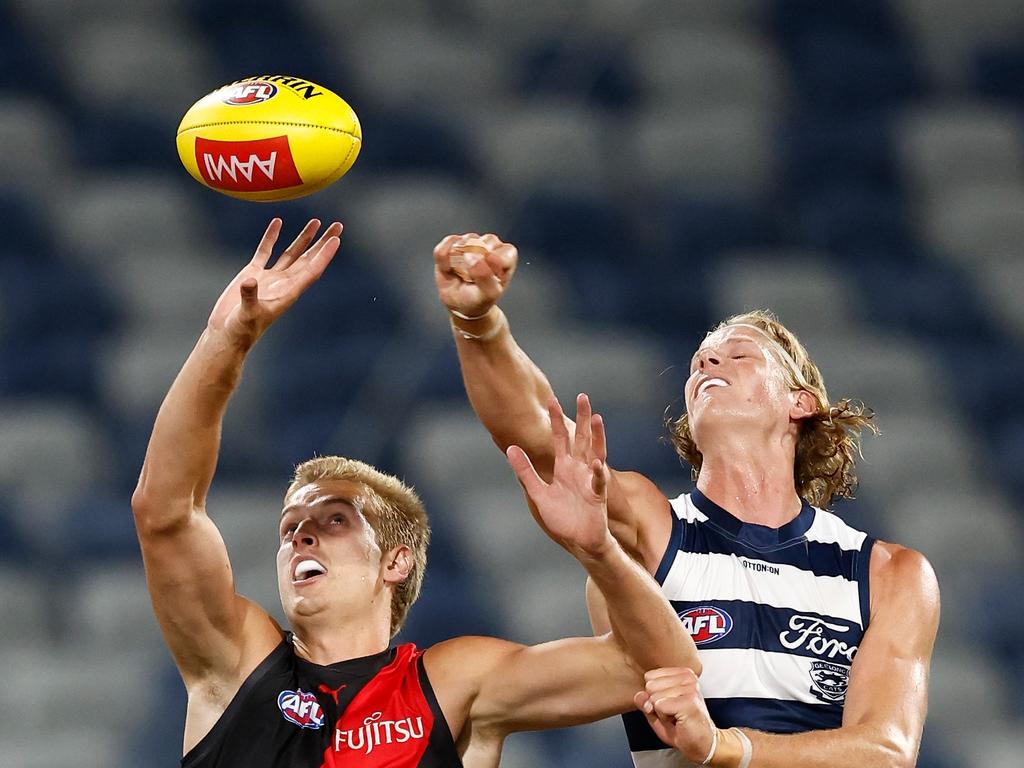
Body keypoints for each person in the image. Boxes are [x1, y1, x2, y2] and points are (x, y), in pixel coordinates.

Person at [130, 218, 702, 768]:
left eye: (334, 520)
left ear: (395, 561)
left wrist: (600, 550)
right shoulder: (238, 663)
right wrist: (224, 342)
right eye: (290, 528)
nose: (300, 533)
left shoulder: (453, 684)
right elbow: (164, 513)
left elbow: (656, 668)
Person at [433, 232, 941, 768]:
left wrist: (724, 747)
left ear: (801, 402)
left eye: (737, 354)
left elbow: (886, 749)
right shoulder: (650, 524)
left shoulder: (889, 572)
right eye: (699, 363)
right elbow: (538, 434)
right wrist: (480, 323)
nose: (706, 367)